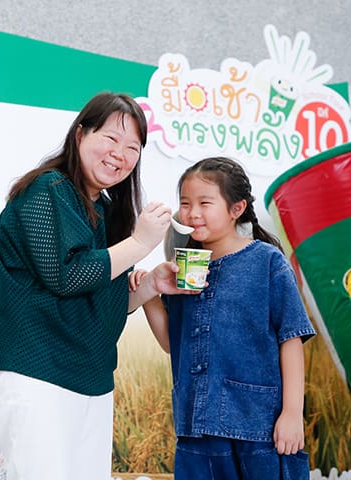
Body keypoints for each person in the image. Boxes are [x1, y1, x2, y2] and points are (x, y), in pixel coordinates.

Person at [0, 92, 196, 480]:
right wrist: (140, 242)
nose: (120, 154)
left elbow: (97, 297)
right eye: (111, 138)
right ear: (80, 134)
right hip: (36, 371)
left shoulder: (107, 210)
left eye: (132, 148)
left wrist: (148, 287)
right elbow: (67, 275)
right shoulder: (47, 189)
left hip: (91, 379)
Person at [135, 156, 316, 479]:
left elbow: (291, 337)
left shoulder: (267, 261)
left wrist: (292, 413)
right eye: (185, 203)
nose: (192, 213)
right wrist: (149, 296)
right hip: (196, 428)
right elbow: (174, 345)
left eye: (205, 203)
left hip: (258, 427)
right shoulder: (182, 269)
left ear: (237, 208)